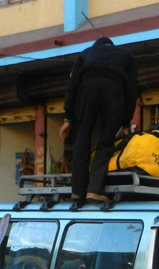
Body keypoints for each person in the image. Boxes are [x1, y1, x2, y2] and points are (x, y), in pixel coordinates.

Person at [59, 37, 138, 202]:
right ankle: (95, 190)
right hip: (114, 90)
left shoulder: (86, 53)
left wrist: (68, 118)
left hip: (88, 87)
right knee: (105, 142)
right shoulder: (126, 56)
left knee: (82, 138)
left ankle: (77, 192)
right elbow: (132, 91)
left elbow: (72, 84)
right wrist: (125, 123)